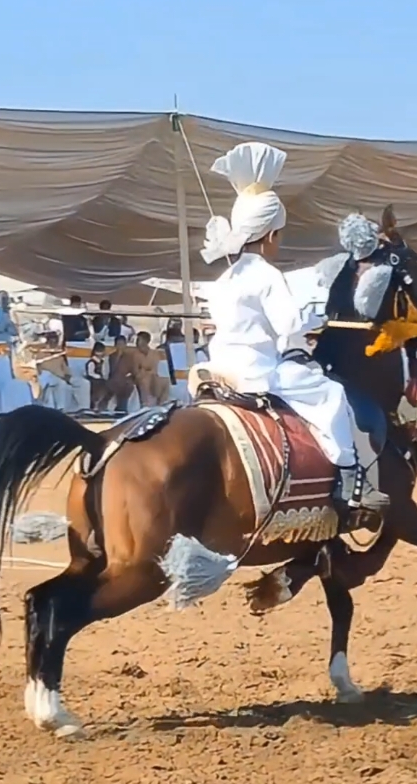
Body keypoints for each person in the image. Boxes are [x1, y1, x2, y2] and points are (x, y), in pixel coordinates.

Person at [200, 140, 388, 519]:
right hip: (258, 370)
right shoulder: (267, 275)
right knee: (331, 395)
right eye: (279, 235)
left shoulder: (225, 277)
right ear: (270, 236)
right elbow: (289, 326)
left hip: (219, 362)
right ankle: (351, 478)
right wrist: (316, 319)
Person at [36, 331, 87, 412]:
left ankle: (84, 408)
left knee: (84, 383)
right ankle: (61, 409)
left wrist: (68, 375)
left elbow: (65, 369)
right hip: (48, 377)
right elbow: (38, 369)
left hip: (62, 377)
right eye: (52, 340)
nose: (54, 342)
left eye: (55, 340)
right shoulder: (41, 354)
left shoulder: (59, 354)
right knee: (61, 384)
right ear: (48, 341)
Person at [133, 331, 170, 407]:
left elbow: (155, 368)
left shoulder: (154, 353)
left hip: (154, 379)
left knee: (165, 381)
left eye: (139, 340)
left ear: (146, 341)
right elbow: (135, 370)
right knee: (144, 381)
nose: (136, 342)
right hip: (140, 379)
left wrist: (147, 371)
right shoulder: (134, 354)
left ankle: (160, 406)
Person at [107, 335, 137, 413]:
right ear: (115, 345)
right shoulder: (111, 357)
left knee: (127, 387)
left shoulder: (130, 357)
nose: (120, 346)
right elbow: (108, 371)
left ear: (125, 345)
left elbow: (133, 371)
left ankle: (122, 408)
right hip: (113, 380)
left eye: (122, 344)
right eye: (118, 344)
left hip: (125, 380)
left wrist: (130, 377)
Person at [85, 340, 110, 412]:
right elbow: (90, 373)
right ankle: (95, 405)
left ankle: (101, 405)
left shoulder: (102, 362)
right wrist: (99, 377)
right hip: (93, 380)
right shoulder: (92, 362)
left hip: (101, 380)